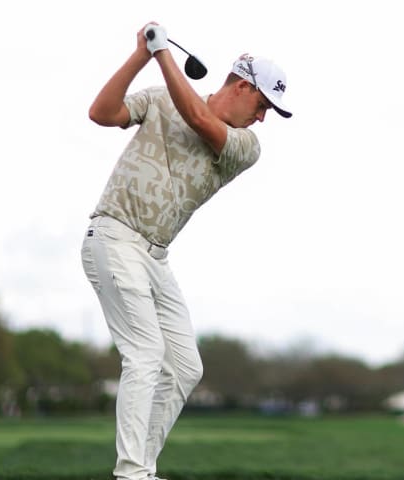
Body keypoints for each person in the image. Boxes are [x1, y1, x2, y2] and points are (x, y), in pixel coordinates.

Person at [80, 21, 291, 480]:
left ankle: (143, 467)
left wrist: (162, 55)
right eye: (262, 105)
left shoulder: (246, 147)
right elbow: (101, 112)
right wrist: (141, 54)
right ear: (240, 86)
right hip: (114, 236)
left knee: (184, 366)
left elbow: (198, 118)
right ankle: (132, 473)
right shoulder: (159, 98)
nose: (262, 119)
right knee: (145, 353)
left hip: (155, 257)